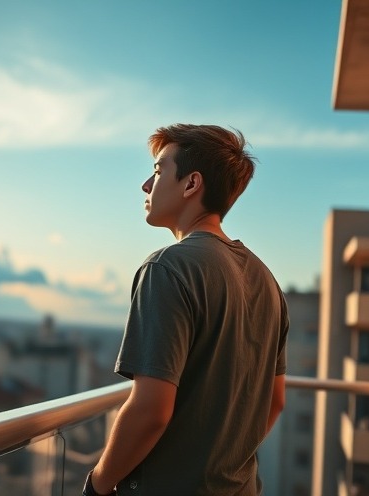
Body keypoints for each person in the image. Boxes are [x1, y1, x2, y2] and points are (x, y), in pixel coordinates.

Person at [82, 124, 288, 496]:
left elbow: (150, 411)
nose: (147, 184)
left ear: (191, 184)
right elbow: (275, 402)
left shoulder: (166, 268)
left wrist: (97, 484)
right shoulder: (267, 280)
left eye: (159, 171)